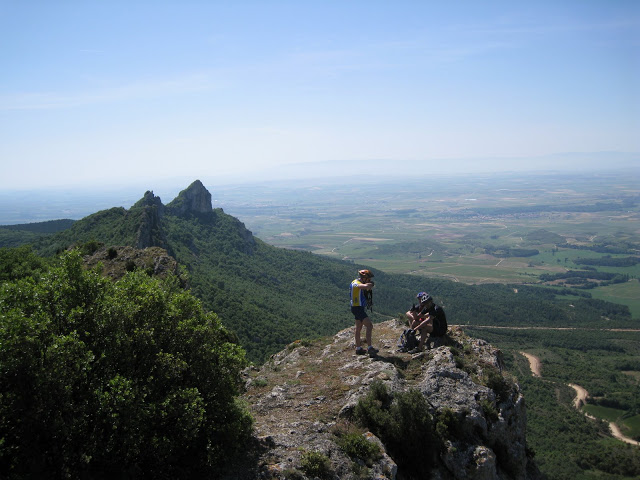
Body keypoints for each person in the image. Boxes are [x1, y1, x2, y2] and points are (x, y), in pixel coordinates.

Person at [350, 269, 378, 357]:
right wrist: (371, 284)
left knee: (358, 327)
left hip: (357, 308)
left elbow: (367, 286)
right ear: (364, 278)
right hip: (358, 308)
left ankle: (358, 348)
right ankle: (370, 348)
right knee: (369, 325)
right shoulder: (356, 283)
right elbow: (365, 286)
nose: (369, 280)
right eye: (368, 279)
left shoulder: (357, 282)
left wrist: (369, 284)